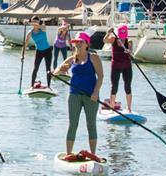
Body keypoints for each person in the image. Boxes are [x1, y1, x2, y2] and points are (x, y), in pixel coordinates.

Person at [53, 31, 104, 159]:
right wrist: (61, 70)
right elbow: (55, 73)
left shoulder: (93, 57)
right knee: (72, 124)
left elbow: (101, 76)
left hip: (91, 96)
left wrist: (95, 92)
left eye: (81, 42)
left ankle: (93, 154)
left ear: (87, 43)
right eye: (76, 42)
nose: (78, 44)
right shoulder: (71, 59)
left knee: (91, 125)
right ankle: (69, 154)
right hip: (74, 95)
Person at [104, 23, 133, 112]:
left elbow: (131, 53)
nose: (122, 38)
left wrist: (129, 51)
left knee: (127, 86)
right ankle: (112, 108)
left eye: (124, 36)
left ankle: (129, 108)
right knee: (114, 87)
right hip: (116, 66)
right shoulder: (113, 39)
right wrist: (108, 32)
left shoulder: (129, 42)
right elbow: (105, 40)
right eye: (121, 36)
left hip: (127, 66)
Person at [22, 16, 53, 88]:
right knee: (35, 68)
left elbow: (36, 25)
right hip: (39, 51)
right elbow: (25, 44)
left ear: (39, 22)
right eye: (33, 21)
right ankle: (32, 86)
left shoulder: (43, 28)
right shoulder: (30, 32)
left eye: (36, 21)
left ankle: (49, 86)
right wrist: (22, 55)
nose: (34, 23)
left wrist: (29, 22)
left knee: (48, 69)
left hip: (48, 51)